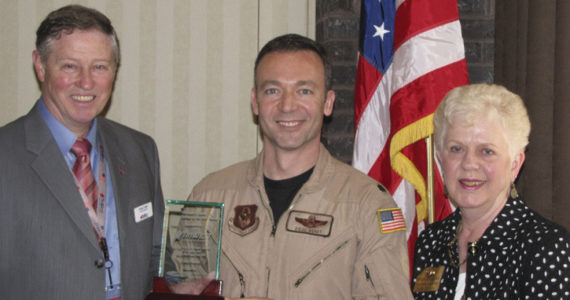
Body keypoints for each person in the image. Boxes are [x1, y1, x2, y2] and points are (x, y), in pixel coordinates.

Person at [185, 33, 413, 299]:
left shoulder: (369, 204)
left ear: (327, 102)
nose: (287, 105)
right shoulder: (208, 196)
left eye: (304, 90)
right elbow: (179, 288)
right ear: (255, 102)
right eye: (273, 90)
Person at [0, 5, 164, 300]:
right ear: (40, 66)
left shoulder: (140, 151)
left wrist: (178, 283)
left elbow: (155, 257)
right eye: (70, 66)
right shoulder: (5, 156)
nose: (86, 82)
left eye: (100, 66)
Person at [411, 84, 570, 299]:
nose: (469, 164)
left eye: (487, 151)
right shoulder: (431, 241)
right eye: (456, 149)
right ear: (440, 158)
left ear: (515, 164)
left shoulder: (546, 247)